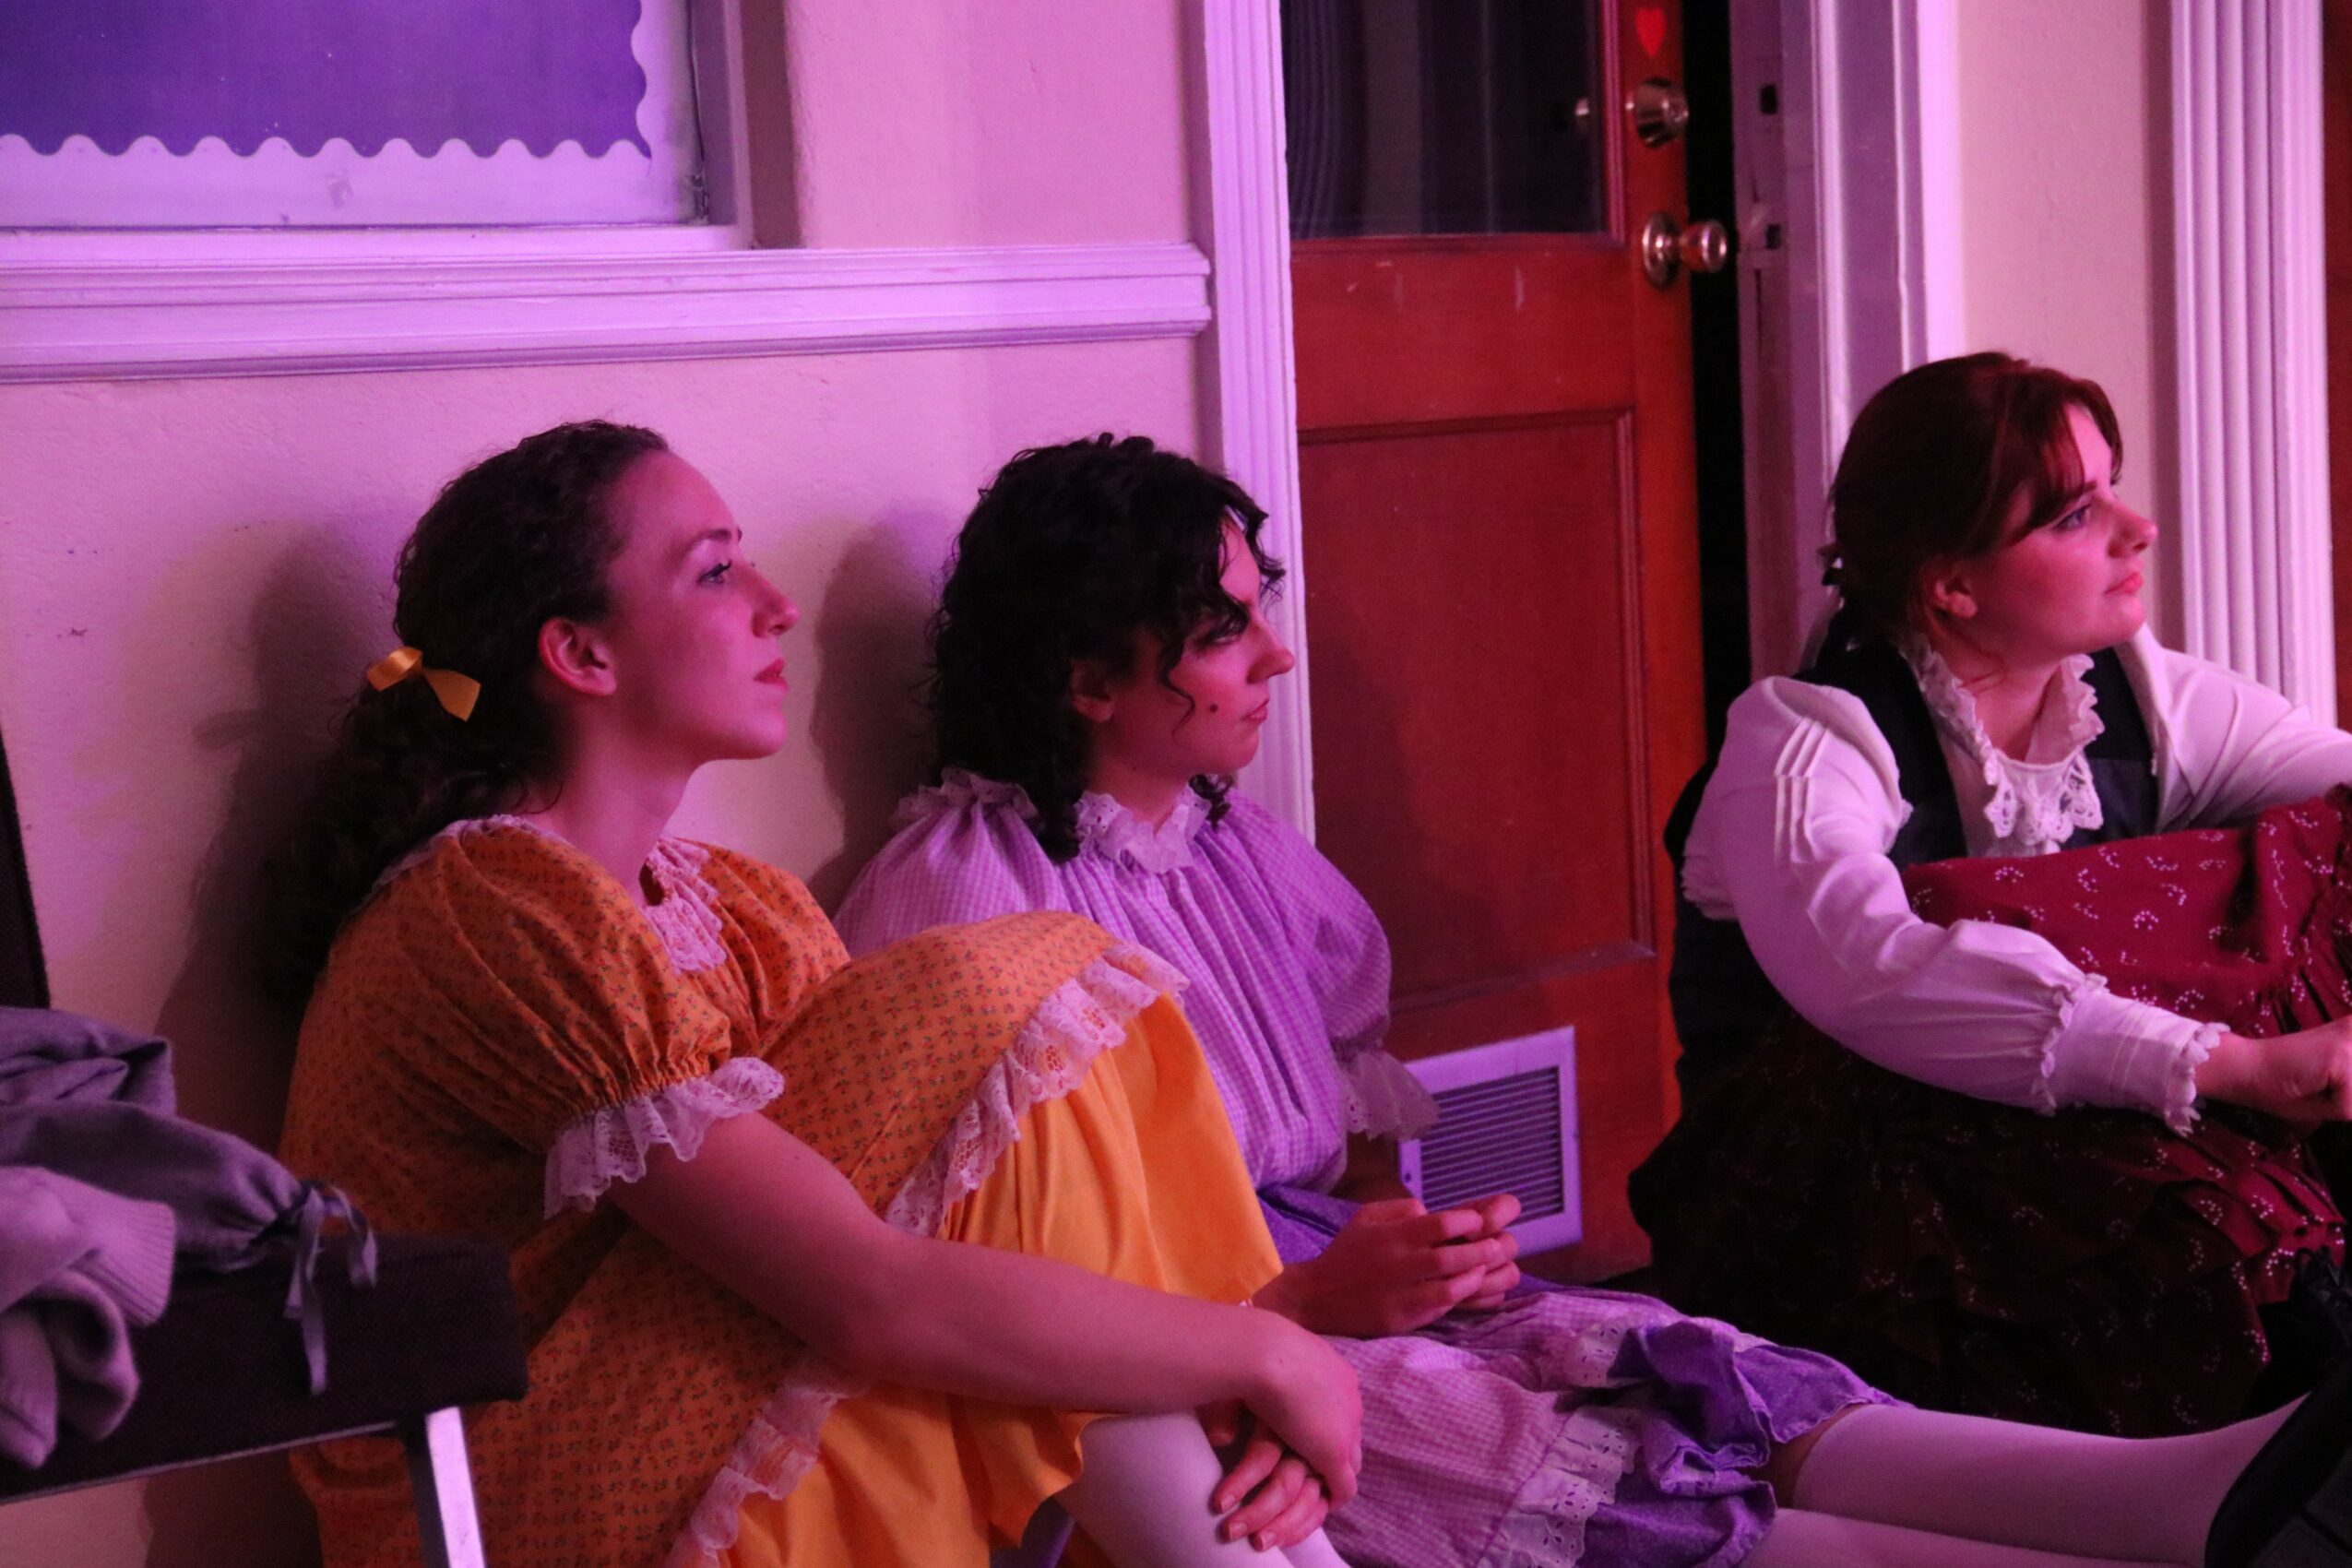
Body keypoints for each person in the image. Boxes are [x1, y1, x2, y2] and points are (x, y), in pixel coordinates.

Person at [833, 430, 2352, 1568]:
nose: (1276, 655)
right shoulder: (967, 896)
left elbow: (1351, 1131)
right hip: (1177, 1342)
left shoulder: (1242, 847)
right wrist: (1291, 1316)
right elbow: (988, 1272)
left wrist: (1410, 1245)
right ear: (1094, 680)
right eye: (1228, 629)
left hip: (1314, 1289)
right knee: (1621, 1471)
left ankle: (2183, 1500)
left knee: (1703, 1379)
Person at [264, 422, 1368, 1568]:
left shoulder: (744, 905)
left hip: (679, 1405)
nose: (775, 603)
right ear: (582, 656)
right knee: (994, 984)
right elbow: (867, 1295)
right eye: (713, 570)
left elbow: (942, 1219)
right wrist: (1268, 1356)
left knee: (1002, 1137)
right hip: (519, 1493)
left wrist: (1237, 1351)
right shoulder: (492, 904)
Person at [1631, 352, 2352, 1436]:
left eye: (2114, 485)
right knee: (2221, 1218)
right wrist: (2232, 1062)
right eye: (2074, 514)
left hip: (2036, 1149)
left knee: (2330, 844)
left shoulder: (2139, 699)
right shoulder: (1803, 738)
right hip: (1813, 1192)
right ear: (1953, 583)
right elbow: (1877, 972)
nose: (2136, 526)